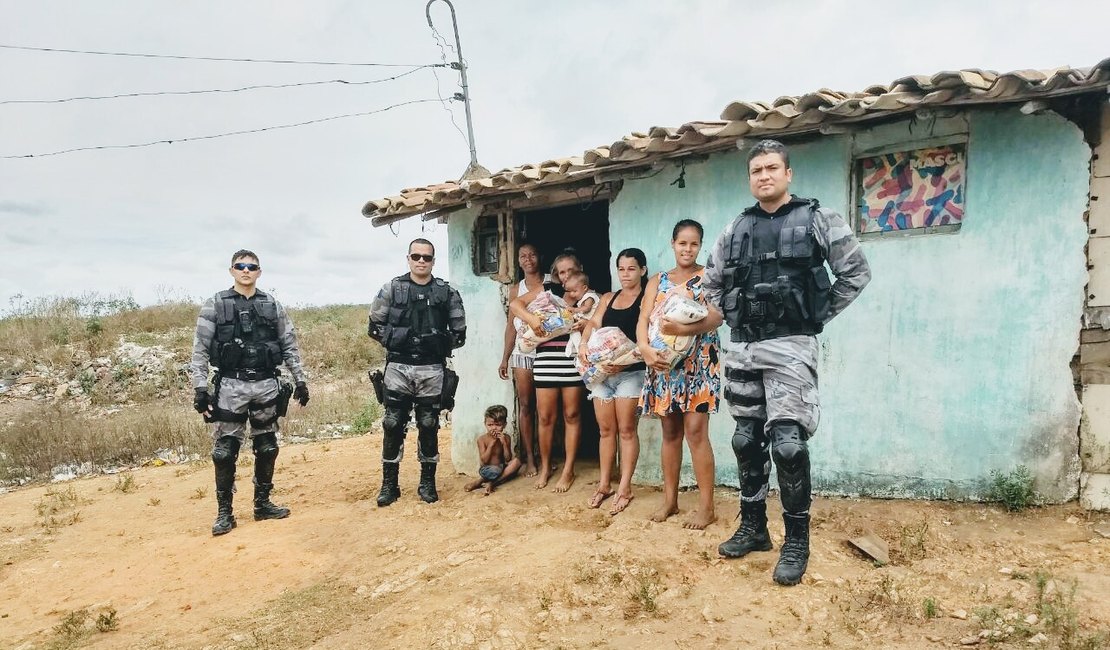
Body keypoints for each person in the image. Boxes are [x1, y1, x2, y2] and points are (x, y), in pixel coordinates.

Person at [704, 139, 871, 586]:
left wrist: (815, 315)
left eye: (772, 168)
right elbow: (710, 283)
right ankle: (754, 528)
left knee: (788, 445)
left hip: (791, 347)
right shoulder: (734, 228)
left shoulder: (818, 219)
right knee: (745, 440)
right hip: (743, 346)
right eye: (756, 169)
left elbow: (856, 272)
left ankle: (796, 540)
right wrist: (732, 314)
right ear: (750, 177)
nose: (764, 175)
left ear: (788, 173)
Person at [190, 249, 310, 537]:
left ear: (259, 271)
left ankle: (263, 503)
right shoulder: (215, 304)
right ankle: (224, 514)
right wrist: (200, 388)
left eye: (252, 266)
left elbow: (289, 344)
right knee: (224, 450)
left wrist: (301, 380)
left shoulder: (272, 305)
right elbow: (200, 350)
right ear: (231, 270)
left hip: (267, 384)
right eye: (240, 266)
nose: (246, 270)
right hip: (231, 385)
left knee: (267, 445)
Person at [367, 238, 466, 506]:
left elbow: (459, 333)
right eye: (416, 256)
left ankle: (427, 483)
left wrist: (434, 340)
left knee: (428, 424)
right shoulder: (391, 289)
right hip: (398, 366)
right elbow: (374, 327)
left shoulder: (447, 293)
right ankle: (389, 485)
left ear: (433, 261)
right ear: (408, 258)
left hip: (431, 368)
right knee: (392, 423)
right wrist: (401, 338)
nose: (421, 261)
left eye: (427, 257)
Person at [638, 220, 723, 530]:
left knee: (696, 432)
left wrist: (683, 329)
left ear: (700, 246)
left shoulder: (709, 277)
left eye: (694, 244)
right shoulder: (657, 280)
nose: (687, 249)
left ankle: (706, 507)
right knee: (670, 434)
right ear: (672, 244)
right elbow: (644, 317)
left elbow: (717, 317)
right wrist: (645, 349)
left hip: (699, 365)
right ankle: (670, 501)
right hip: (663, 365)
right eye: (682, 243)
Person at [578, 249, 649, 515]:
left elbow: (649, 342)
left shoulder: (645, 300)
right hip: (603, 375)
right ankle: (605, 484)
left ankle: (625, 487)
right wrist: (584, 345)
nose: (625, 274)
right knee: (605, 431)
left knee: (627, 430)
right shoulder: (609, 298)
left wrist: (623, 363)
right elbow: (592, 324)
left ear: (642, 270)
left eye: (631, 269)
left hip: (632, 373)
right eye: (621, 269)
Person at [509, 250, 586, 492]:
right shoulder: (547, 292)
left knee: (572, 415)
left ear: (579, 270)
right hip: (545, 360)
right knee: (545, 417)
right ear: (554, 275)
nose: (565, 277)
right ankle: (544, 467)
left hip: (570, 359)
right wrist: (532, 320)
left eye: (570, 271)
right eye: (561, 272)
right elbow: (515, 304)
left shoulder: (586, 294)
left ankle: (568, 469)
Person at [498, 243, 546, 477]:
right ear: (518, 261)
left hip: (548, 350)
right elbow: (511, 326)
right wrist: (505, 358)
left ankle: (547, 456)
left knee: (547, 408)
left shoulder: (551, 280)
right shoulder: (516, 289)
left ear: (540, 257)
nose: (528, 259)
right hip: (523, 353)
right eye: (523, 256)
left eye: (532, 254)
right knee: (527, 406)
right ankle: (529, 457)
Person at [463, 404, 522, 495]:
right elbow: (484, 461)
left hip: (501, 467)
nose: (494, 428)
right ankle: (482, 481)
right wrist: (491, 444)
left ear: (504, 425)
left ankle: (492, 483)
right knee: (495, 470)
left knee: (517, 461)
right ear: (485, 424)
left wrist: (504, 444)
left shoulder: (506, 438)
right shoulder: (482, 439)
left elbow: (508, 459)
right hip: (487, 469)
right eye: (490, 425)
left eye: (498, 425)